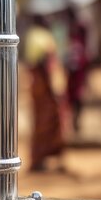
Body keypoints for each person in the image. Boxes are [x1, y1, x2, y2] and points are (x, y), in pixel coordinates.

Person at [25, 15, 67, 172]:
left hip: (38, 86)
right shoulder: (42, 37)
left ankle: (40, 158)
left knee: (40, 122)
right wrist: (53, 88)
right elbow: (45, 63)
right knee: (50, 121)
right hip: (45, 86)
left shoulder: (31, 35)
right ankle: (43, 158)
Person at [65, 7, 89, 133]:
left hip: (79, 70)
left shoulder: (81, 28)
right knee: (72, 96)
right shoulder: (70, 31)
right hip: (72, 70)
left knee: (78, 96)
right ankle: (73, 121)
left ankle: (77, 120)